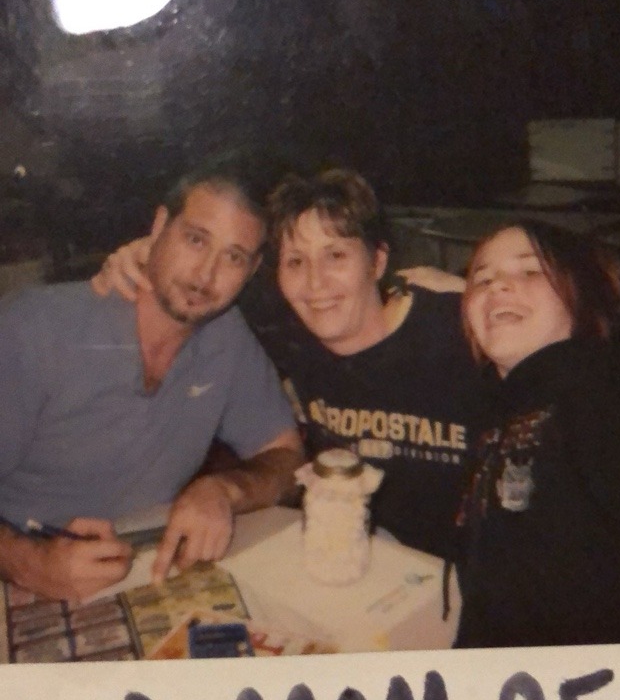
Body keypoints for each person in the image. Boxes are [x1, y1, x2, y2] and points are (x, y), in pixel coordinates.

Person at [94, 168, 485, 561]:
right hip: (352, 567)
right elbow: (200, 288)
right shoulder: (282, 337)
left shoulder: (458, 327)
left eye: (336, 255)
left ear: (377, 261)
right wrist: (149, 251)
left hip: (467, 578)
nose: (316, 283)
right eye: (296, 262)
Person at [0, 161, 302, 604]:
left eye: (233, 257)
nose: (205, 274)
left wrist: (224, 489)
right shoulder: (35, 329)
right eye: (196, 240)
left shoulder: (226, 336)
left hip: (140, 579)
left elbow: (288, 457)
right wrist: (29, 564)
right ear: (160, 226)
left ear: (252, 269)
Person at [454, 221, 620, 648]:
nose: (497, 285)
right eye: (480, 279)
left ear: (584, 296)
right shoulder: (502, 408)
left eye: (530, 271)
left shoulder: (604, 390)